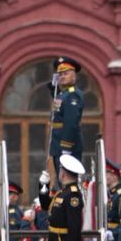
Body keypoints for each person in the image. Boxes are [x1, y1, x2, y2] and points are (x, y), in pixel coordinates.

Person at [47, 56, 85, 188]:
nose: (62, 76)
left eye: (66, 73)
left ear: (74, 77)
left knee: (67, 183)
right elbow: (59, 112)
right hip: (57, 144)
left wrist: (66, 148)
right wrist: (53, 89)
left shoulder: (73, 95)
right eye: (60, 74)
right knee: (60, 182)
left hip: (67, 146)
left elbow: (70, 123)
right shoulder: (62, 94)